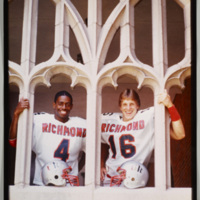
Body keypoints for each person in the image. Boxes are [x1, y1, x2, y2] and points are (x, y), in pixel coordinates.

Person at [100, 89, 185, 187]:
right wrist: (101, 164)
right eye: (124, 104)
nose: (128, 108)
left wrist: (170, 105)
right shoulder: (109, 120)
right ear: (120, 106)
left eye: (132, 104)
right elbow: (103, 141)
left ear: (138, 106)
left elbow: (179, 134)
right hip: (110, 177)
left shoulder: (148, 118)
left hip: (134, 178)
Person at [9, 90, 86, 186]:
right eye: (60, 104)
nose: (64, 107)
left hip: (68, 183)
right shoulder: (39, 121)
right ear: (54, 105)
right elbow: (13, 142)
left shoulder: (81, 124)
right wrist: (16, 115)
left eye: (67, 104)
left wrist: (76, 168)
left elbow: (90, 152)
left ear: (71, 106)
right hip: (42, 182)